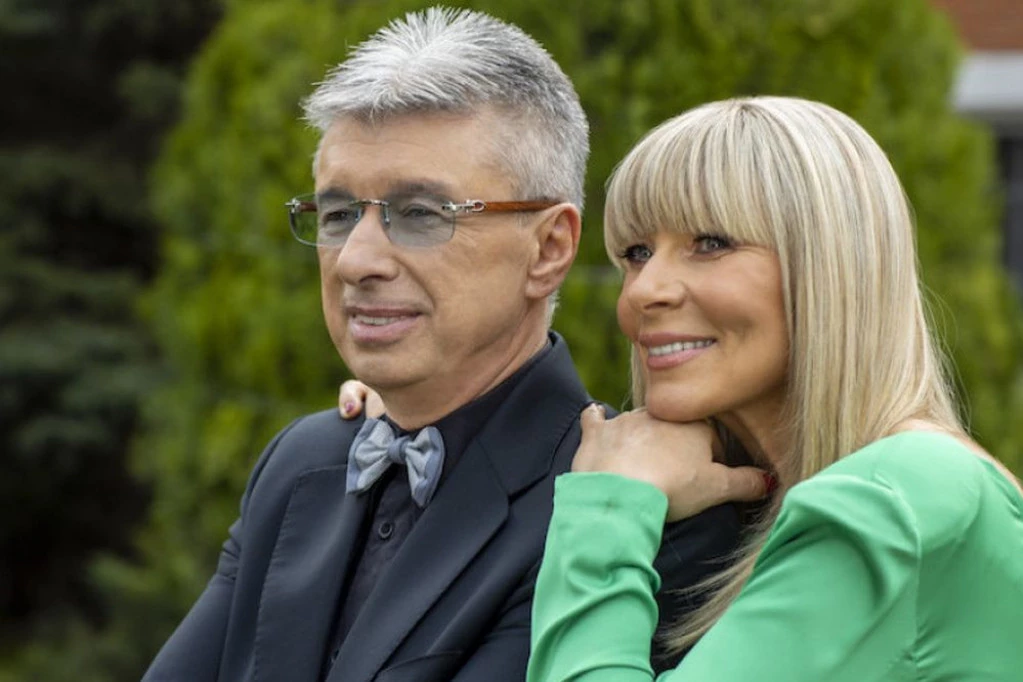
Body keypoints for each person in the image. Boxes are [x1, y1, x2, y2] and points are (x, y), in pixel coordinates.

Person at [142, 8, 749, 682]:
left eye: (420, 214)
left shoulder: (642, 512)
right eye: (338, 214)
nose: (355, 261)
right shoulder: (301, 461)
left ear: (549, 249)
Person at [526, 95, 1023, 681]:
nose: (643, 291)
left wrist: (609, 503)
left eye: (711, 243)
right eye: (637, 254)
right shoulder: (841, 495)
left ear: (829, 264)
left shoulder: (894, 497)